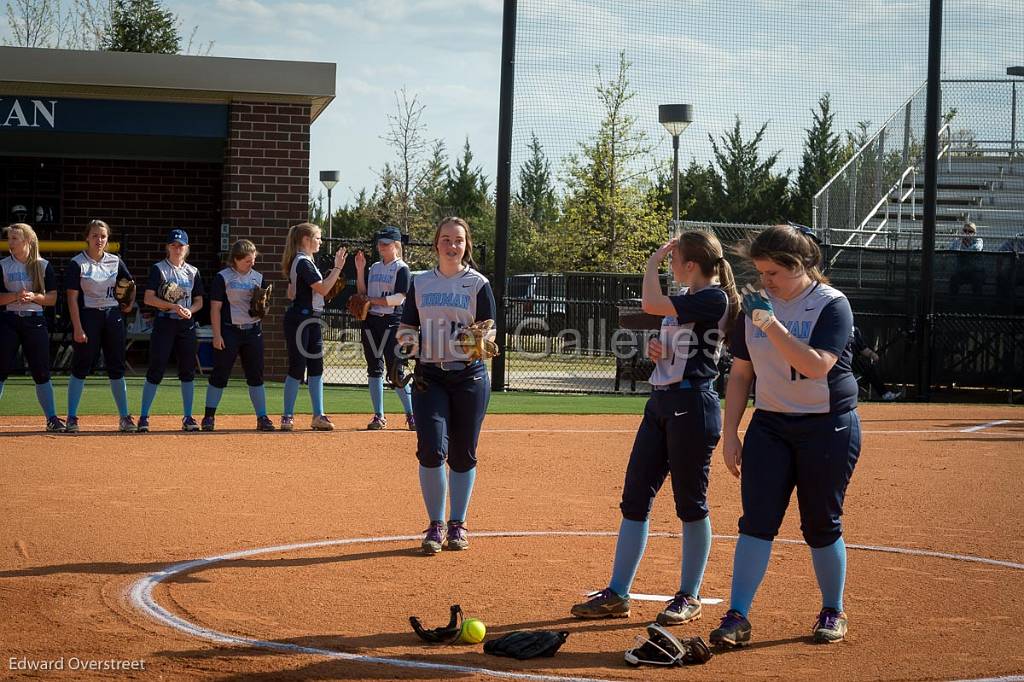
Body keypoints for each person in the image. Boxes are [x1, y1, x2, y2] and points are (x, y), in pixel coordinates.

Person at [570, 231, 739, 626]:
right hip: (662, 403)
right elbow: (677, 339)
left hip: (692, 405)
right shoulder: (690, 299)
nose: (671, 263)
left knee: (690, 504)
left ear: (691, 264)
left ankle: (689, 595)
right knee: (634, 499)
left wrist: (651, 262)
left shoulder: (713, 296)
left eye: (675, 258)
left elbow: (651, 302)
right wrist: (658, 350)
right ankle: (618, 593)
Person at [710, 223, 861, 647]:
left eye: (773, 272)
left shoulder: (832, 305)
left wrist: (771, 323)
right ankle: (737, 615)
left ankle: (832, 609)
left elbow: (816, 366)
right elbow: (740, 374)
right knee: (755, 522)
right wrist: (731, 433)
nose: (764, 280)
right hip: (772, 425)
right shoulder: (756, 305)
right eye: (760, 271)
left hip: (826, 425)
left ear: (802, 265)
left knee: (820, 522)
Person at [397, 217, 496, 555]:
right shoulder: (420, 282)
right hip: (430, 375)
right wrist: (403, 352)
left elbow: (490, 331)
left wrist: (476, 340)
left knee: (463, 453)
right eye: (446, 239)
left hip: (470, 376)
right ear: (436, 244)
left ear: (466, 244)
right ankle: (435, 524)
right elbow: (408, 324)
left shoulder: (478, 283)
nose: (452, 246)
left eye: (458, 240)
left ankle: (458, 523)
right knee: (431, 449)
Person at [64, 219, 137, 433]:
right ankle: (71, 417)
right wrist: (77, 327)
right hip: (88, 316)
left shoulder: (115, 261)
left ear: (108, 239)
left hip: (112, 316)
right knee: (81, 366)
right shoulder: (77, 263)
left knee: (116, 367)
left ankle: (124, 417)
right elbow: (71, 299)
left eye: (103, 236)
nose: (99, 239)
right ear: (87, 237)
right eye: (95, 235)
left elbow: (130, 285)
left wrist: (128, 304)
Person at [202, 239, 275, 432]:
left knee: (256, 375)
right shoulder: (223, 277)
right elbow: (215, 308)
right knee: (220, 374)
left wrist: (262, 307)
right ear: (235, 259)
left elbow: (264, 308)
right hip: (229, 330)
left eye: (253, 260)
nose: (251, 264)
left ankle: (262, 417)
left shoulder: (258, 278)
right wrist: (217, 335)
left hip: (252, 332)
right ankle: (209, 417)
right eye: (247, 261)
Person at [138, 229, 205, 432]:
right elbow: (148, 298)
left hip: (185, 324)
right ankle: (143, 417)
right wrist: (172, 307)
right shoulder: (159, 269)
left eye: (181, 246)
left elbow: (199, 301)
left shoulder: (193, 271)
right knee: (156, 369)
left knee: (188, 371)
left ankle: (188, 417)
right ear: (168, 247)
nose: (177, 249)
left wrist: (189, 311)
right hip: (165, 322)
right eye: (174, 245)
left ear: (187, 248)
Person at [281, 222, 346, 431]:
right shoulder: (303, 262)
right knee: (298, 367)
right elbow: (324, 289)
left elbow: (291, 292)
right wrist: (337, 268)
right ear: (306, 240)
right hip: (301, 320)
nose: (320, 241)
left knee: (316, 367)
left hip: (311, 319)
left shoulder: (306, 261)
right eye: (317, 237)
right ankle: (287, 416)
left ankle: (318, 415)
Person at [0, 223, 64, 431]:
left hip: (34, 320)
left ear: (27, 241)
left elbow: (52, 298)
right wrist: (15, 296)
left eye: (14, 239)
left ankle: (51, 418)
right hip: (9, 320)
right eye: (9, 238)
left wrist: (34, 297)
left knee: (41, 371)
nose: (10, 242)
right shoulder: (3, 265)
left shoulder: (42, 265)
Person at [355, 225, 415, 431]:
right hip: (372, 322)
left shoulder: (402, 269)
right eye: (380, 243)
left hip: (392, 322)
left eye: (386, 243)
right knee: (374, 369)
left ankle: (411, 414)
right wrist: (360, 270)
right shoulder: (374, 268)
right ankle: (378, 416)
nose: (381, 246)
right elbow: (363, 293)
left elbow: (399, 298)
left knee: (396, 371)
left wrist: (372, 300)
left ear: (396, 245)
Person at [849, 326, 901, 401]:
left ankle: (885, 394)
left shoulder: (854, 330)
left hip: (854, 362)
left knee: (870, 370)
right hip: (837, 361)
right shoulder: (832, 327)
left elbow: (862, 348)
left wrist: (872, 354)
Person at [948, 221, 984, 296]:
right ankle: (952, 303)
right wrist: (960, 241)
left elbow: (976, 249)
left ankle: (977, 304)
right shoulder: (958, 240)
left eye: (970, 231)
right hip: (961, 271)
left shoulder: (978, 240)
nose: (967, 233)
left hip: (976, 271)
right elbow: (952, 249)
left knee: (978, 280)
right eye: (965, 231)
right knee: (954, 279)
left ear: (974, 233)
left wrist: (962, 252)